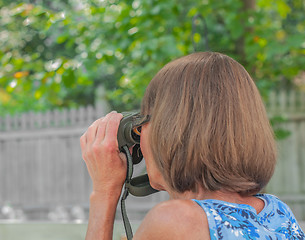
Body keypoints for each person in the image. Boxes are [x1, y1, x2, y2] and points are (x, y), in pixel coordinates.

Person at [80, 52, 304, 239]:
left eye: (141, 124)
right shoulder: (277, 213)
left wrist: (104, 192)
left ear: (171, 132)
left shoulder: (176, 221)